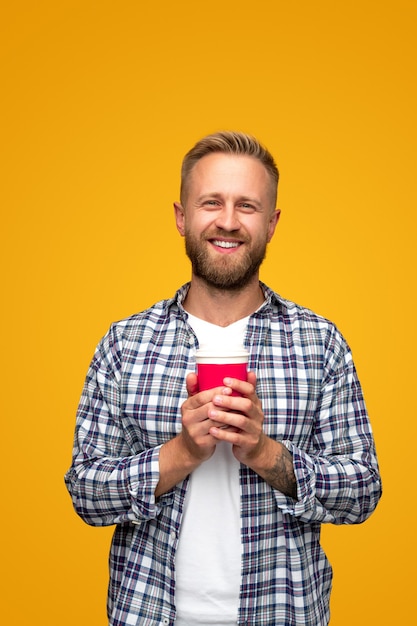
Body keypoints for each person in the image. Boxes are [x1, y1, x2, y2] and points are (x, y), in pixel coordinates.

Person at [65, 131, 382, 626]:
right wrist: (181, 454)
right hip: (146, 613)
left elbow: (363, 489)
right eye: (212, 202)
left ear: (272, 223)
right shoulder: (126, 343)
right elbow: (85, 491)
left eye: (247, 206)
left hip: (283, 612)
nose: (228, 222)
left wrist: (264, 452)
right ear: (182, 216)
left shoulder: (319, 343)